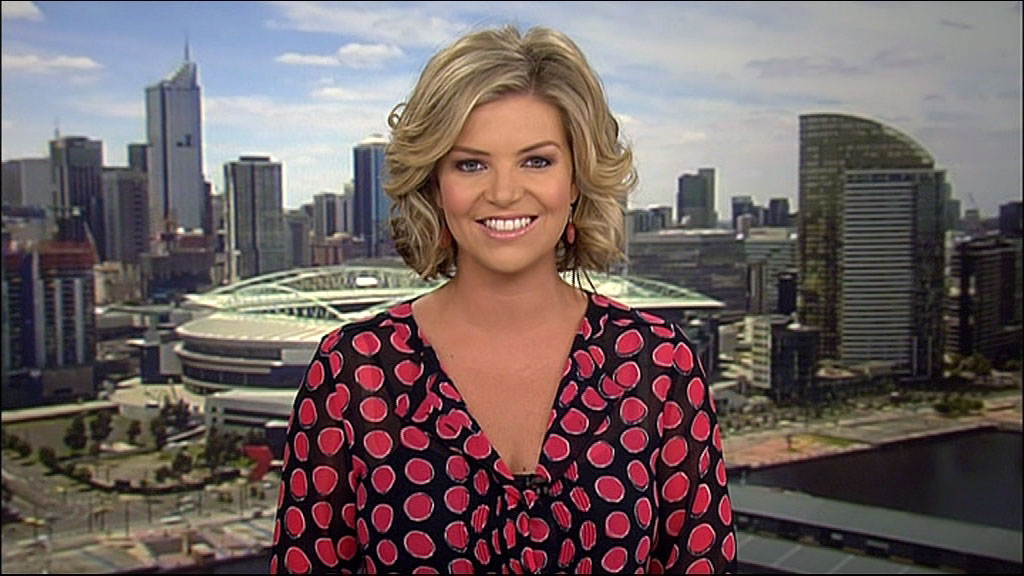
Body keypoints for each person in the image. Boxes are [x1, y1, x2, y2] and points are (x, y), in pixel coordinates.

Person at [270, 25, 736, 574]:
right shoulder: (353, 374)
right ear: (435, 185)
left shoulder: (659, 365)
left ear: (576, 180)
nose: (504, 192)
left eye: (536, 161)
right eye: (471, 164)